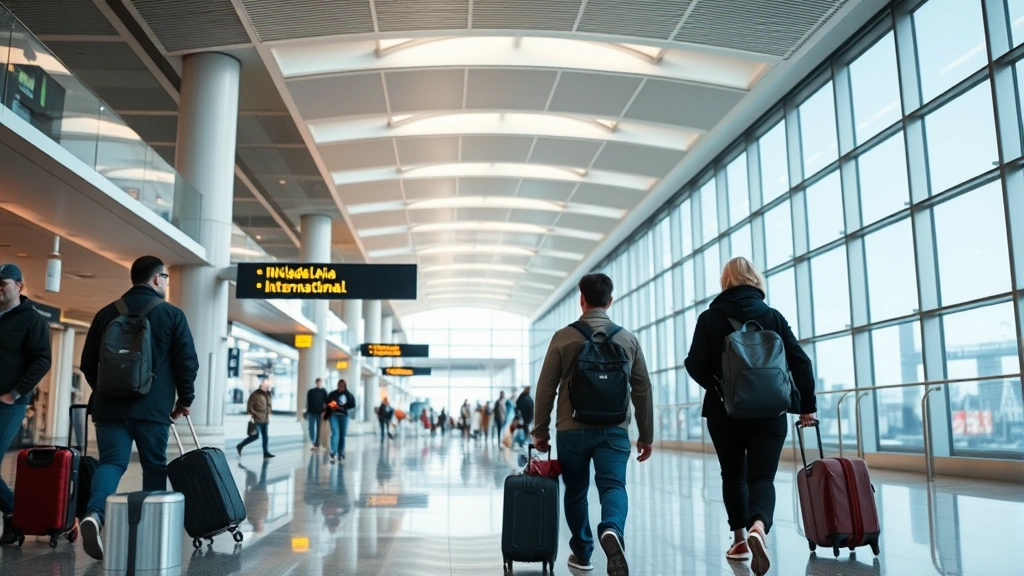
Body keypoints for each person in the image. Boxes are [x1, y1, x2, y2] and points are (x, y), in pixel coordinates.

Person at [684, 257, 816, 576]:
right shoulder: (772, 316)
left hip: (724, 411)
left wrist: (719, 387)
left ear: (725, 281)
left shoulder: (710, 318)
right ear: (755, 279)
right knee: (762, 477)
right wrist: (806, 405)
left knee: (733, 474)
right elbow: (801, 362)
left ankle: (741, 539)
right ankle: (759, 526)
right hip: (770, 411)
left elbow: (693, 363)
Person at [532, 273, 653, 576]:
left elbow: (545, 388)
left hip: (571, 430)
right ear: (610, 301)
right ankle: (611, 528)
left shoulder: (563, 337)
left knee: (575, 491)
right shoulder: (627, 339)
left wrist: (540, 432)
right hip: (615, 430)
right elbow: (642, 389)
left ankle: (583, 553)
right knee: (613, 485)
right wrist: (646, 435)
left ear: (582, 300)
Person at [78, 256, 198, 561]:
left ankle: (95, 514)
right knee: (154, 467)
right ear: (157, 279)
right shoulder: (171, 314)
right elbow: (187, 363)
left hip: (109, 409)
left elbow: (87, 362)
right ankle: (149, 530)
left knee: (111, 464)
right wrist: (184, 400)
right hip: (152, 408)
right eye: (166, 278)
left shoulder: (107, 313)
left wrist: (106, 391)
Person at [0, 263, 52, 545]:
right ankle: (14, 514)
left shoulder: (32, 321)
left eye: (3, 283)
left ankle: (16, 512)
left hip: (9, 403)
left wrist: (15, 393)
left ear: (19, 286)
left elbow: (43, 360)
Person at [237, 380, 274, 459]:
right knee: (255, 436)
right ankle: (240, 445)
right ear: (261, 385)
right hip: (257, 419)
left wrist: (269, 413)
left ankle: (265, 452)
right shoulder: (255, 395)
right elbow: (249, 407)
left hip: (265, 419)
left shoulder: (268, 394)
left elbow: (269, 406)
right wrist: (256, 414)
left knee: (265, 436)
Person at [326, 379, 356, 463]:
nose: (341, 386)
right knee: (335, 433)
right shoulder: (333, 394)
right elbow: (328, 402)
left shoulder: (348, 394)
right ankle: (333, 452)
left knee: (342, 435)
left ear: (345, 386)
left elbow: (352, 404)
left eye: (343, 385)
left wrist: (346, 392)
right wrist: (337, 407)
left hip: (344, 416)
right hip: (334, 415)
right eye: (340, 384)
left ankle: (341, 452)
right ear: (337, 385)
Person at [306, 378, 328, 451]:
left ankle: (317, 443)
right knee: (311, 427)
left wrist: (325, 411)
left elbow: (327, 402)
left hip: (320, 412)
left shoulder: (324, 391)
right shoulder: (311, 392)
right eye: (318, 383)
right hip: (311, 412)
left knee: (319, 428)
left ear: (321, 383)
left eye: (320, 383)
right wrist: (307, 411)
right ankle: (313, 441)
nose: (319, 384)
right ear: (316, 383)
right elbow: (308, 402)